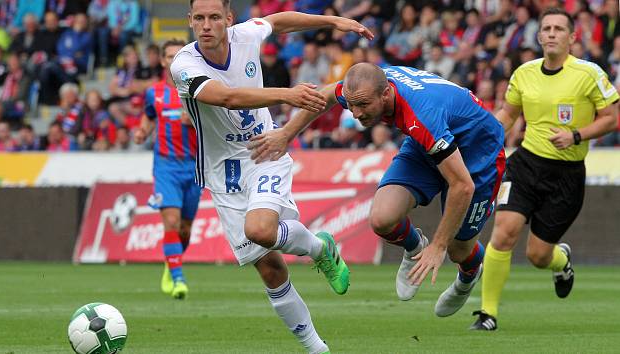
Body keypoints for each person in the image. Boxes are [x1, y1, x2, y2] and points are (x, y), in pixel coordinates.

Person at [170, 1, 373, 353]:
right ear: (189, 21)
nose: (207, 25)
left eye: (215, 17)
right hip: (224, 172)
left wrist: (334, 20)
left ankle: (317, 253)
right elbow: (229, 98)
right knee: (270, 270)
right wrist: (287, 94)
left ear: (228, 20)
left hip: (267, 149)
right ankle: (317, 334)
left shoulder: (246, 35)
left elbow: (278, 22)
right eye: (199, 18)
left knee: (261, 231)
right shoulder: (184, 65)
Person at [249, 62, 506, 318]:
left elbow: (462, 185)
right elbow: (326, 95)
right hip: (428, 144)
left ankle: (468, 276)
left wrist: (438, 246)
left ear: (386, 95)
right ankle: (414, 248)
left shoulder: (422, 115)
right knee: (382, 219)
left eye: (362, 105)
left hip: (478, 153)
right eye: (351, 105)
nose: (356, 113)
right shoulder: (364, 87)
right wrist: (286, 133)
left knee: (457, 249)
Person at [469, 8, 619, 331]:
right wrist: (481, 135)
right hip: (525, 164)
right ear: (539, 37)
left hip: (566, 175)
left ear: (572, 37)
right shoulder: (524, 73)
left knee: (537, 256)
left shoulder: (589, 73)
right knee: (503, 233)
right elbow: (508, 115)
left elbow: (612, 118)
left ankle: (560, 261)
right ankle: (487, 314)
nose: (551, 33)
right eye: (546, 29)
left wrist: (576, 135)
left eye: (559, 29)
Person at [134, 39, 203, 300]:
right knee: (171, 222)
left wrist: (195, 120)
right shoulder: (155, 93)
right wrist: (143, 131)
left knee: (184, 228)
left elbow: (214, 125)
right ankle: (178, 278)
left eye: (178, 55)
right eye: (169, 56)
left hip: (194, 166)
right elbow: (150, 115)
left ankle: (171, 262)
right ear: (162, 61)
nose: (174, 60)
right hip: (165, 166)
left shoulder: (198, 90)